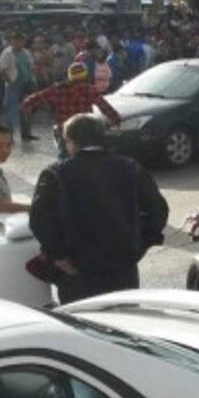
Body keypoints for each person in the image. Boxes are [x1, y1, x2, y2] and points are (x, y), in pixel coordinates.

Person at [29, 114, 169, 304]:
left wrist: (59, 256)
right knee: (123, 323)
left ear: (69, 141)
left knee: (84, 326)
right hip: (123, 269)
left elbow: (40, 219)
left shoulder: (55, 173)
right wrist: (142, 245)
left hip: (78, 269)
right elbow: (158, 210)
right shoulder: (130, 167)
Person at [21, 63, 123, 160]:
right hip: (85, 131)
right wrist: (117, 120)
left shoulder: (58, 89)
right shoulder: (89, 90)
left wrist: (24, 105)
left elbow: (36, 98)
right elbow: (105, 107)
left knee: (64, 158)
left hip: (65, 131)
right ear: (85, 76)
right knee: (85, 159)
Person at [0, 32, 37, 141]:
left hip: (27, 84)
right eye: (15, 40)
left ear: (23, 41)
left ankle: (26, 134)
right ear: (11, 41)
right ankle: (8, 136)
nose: (18, 42)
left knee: (27, 110)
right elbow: (2, 70)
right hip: (14, 85)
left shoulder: (26, 52)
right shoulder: (7, 53)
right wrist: (10, 82)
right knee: (11, 111)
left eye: (20, 40)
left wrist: (33, 80)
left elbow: (31, 67)